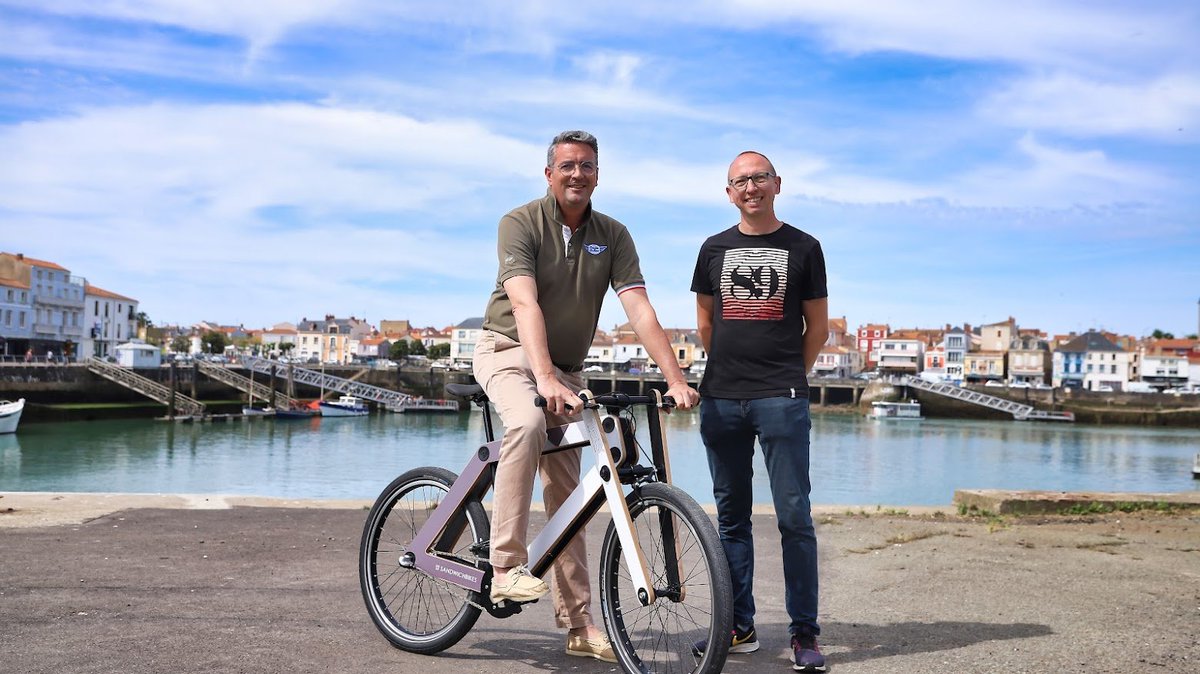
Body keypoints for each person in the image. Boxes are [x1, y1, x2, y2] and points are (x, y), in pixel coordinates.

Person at [473, 130, 699, 664]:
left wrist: (674, 378)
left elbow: (638, 308)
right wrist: (544, 377)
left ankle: (578, 624)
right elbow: (524, 304)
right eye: (568, 165)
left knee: (571, 494)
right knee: (527, 424)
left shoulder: (612, 234)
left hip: (566, 370)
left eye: (588, 166)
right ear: (549, 173)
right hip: (507, 351)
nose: (578, 174)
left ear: (598, 174)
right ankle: (504, 568)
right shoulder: (520, 222)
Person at [690, 150, 829, 671]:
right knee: (731, 519)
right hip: (721, 399)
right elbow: (705, 324)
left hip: (781, 398)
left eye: (759, 178)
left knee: (794, 517)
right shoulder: (713, 248)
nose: (751, 187)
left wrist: (788, 376)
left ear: (777, 184)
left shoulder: (804, 247)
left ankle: (804, 632)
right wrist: (731, 371)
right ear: (729, 192)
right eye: (740, 181)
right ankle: (739, 626)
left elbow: (818, 328)